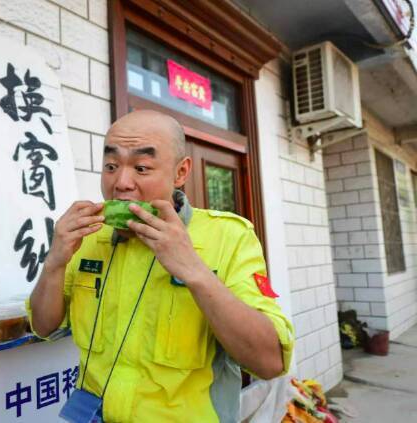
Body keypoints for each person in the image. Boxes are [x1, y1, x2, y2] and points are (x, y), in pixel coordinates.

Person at [27, 109, 294, 422]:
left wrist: (194, 271)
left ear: (180, 173)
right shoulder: (88, 237)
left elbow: (270, 362)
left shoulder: (229, 237)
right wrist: (54, 262)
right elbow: (43, 327)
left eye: (141, 167)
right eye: (111, 166)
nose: (121, 183)